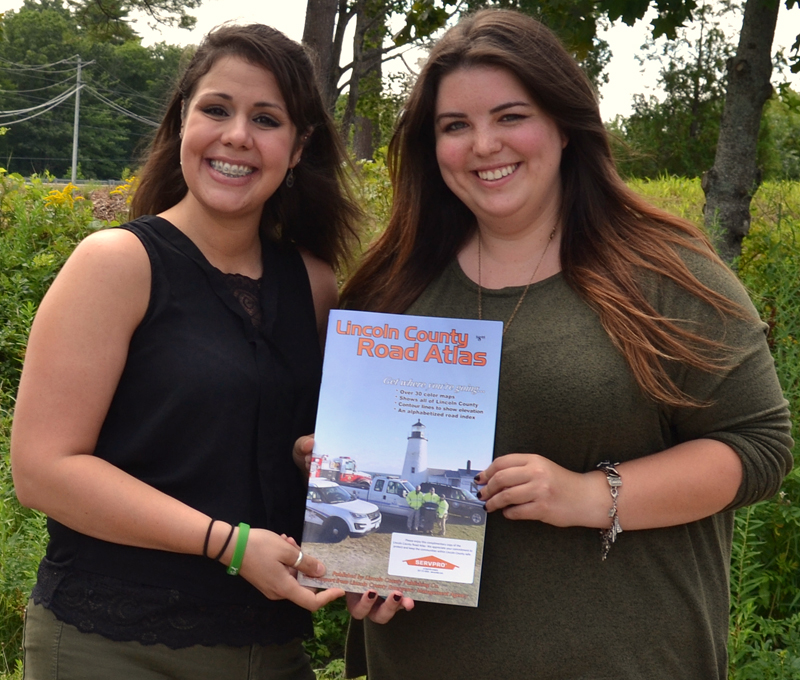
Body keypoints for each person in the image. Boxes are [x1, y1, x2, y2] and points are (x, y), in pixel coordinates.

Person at [339, 9, 793, 679]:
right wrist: (339, 500)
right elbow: (358, 502)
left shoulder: (665, 272)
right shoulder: (394, 282)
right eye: (455, 126)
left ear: (563, 124)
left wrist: (587, 495)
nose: (484, 145)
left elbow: (759, 447)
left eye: (510, 116)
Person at [11, 23, 360, 680]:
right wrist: (227, 546)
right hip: (114, 643)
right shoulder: (116, 264)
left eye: (266, 118)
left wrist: (312, 460)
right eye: (217, 109)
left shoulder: (314, 284)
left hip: (270, 648)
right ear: (182, 122)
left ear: (299, 146)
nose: (237, 135)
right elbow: (42, 469)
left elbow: (272, 445)